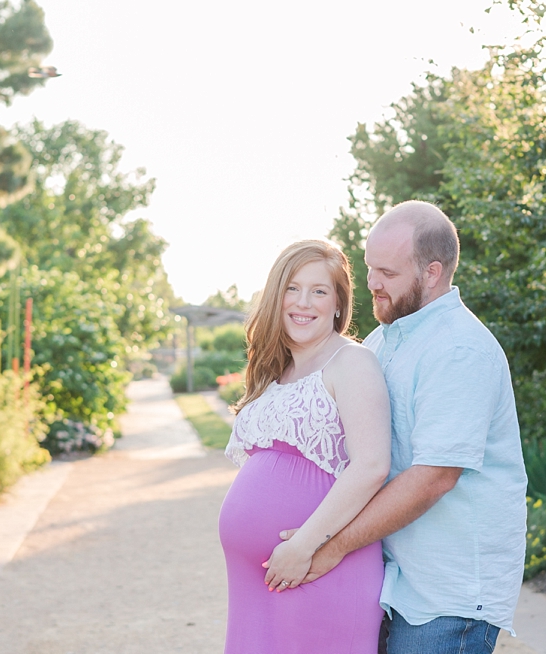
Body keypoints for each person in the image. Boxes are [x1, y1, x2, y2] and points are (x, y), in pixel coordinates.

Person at [282, 201, 527, 654]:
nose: (372, 282)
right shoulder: (383, 339)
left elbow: (433, 478)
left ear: (432, 273)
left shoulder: (459, 349)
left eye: (388, 273)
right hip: (390, 579)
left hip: (444, 596)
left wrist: (332, 545)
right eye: (371, 267)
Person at [218, 239, 392, 654]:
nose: (303, 302)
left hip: (316, 569)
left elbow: (371, 465)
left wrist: (302, 545)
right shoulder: (277, 371)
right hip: (256, 581)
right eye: (292, 288)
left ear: (338, 304)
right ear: (276, 297)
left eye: (319, 291)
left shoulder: (351, 362)